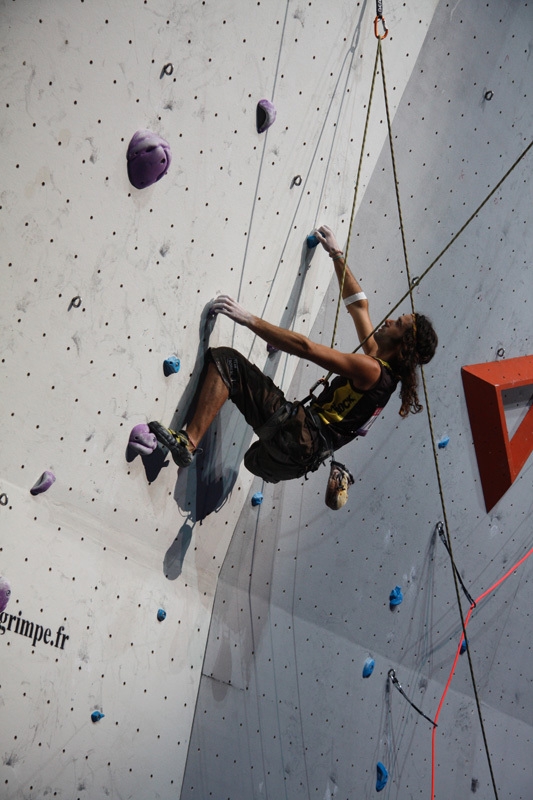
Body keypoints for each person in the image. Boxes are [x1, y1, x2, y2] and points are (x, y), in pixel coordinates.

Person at [147, 225, 438, 502]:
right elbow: (359, 307)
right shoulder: (382, 372)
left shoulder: (371, 369)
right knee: (251, 459)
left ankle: (189, 441)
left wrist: (249, 319)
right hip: (297, 459)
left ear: (403, 346)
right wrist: (336, 255)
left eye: (398, 323)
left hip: (297, 435)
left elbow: (306, 348)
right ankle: (199, 443)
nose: (389, 320)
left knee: (227, 363)